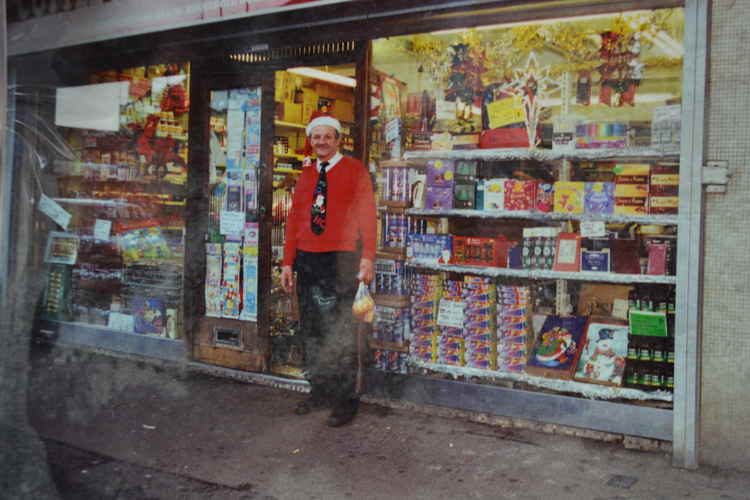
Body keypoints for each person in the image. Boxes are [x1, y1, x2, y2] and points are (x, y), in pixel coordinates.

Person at [280, 114, 376, 427]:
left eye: (327, 136)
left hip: (342, 258)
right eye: (316, 137)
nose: (321, 141)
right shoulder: (307, 174)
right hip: (308, 259)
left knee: (342, 330)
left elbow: (367, 215)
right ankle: (319, 390)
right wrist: (287, 262)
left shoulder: (354, 170)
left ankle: (345, 400)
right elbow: (294, 219)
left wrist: (368, 257)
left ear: (338, 140)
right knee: (312, 328)